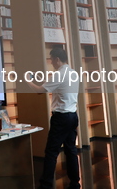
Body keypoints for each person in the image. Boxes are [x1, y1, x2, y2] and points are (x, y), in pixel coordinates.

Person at [28, 47, 80, 189]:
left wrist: (28, 82)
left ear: (57, 59)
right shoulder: (74, 73)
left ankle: (45, 185)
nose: (51, 62)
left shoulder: (58, 75)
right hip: (73, 116)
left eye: (51, 59)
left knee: (51, 151)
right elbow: (57, 86)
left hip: (61, 118)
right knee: (71, 150)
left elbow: (40, 91)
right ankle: (75, 182)